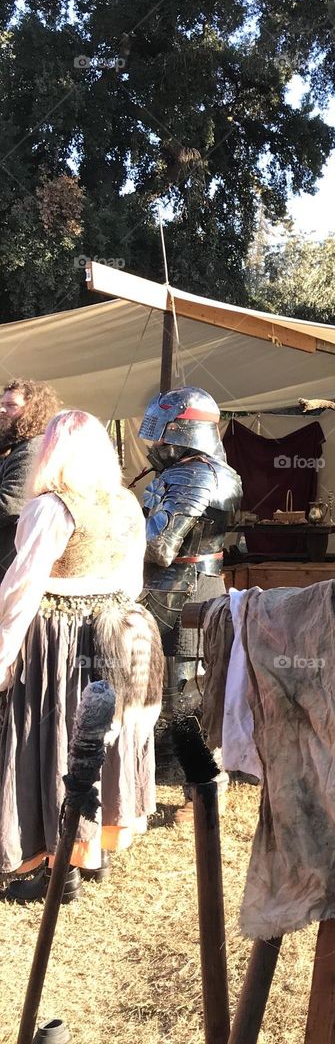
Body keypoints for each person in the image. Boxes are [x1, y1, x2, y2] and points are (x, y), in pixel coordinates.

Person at [0, 410, 163, 903]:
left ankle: (59, 864)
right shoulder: (126, 504)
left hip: (57, 639)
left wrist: (4, 651)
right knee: (101, 735)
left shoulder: (51, 507)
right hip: (115, 630)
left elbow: (23, 586)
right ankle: (94, 851)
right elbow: (133, 581)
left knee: (54, 736)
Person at [138, 386, 241, 719]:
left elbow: (160, 546)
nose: (156, 445)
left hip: (178, 594)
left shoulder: (191, 474)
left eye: (162, 435)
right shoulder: (218, 471)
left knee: (176, 704)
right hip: (199, 586)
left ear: (184, 430)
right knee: (190, 698)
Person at [0, 379, 61, 581]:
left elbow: (10, 506)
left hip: (10, 559)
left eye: (11, 405)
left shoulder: (31, 450)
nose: (2, 410)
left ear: (32, 410)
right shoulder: (17, 447)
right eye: (2, 404)